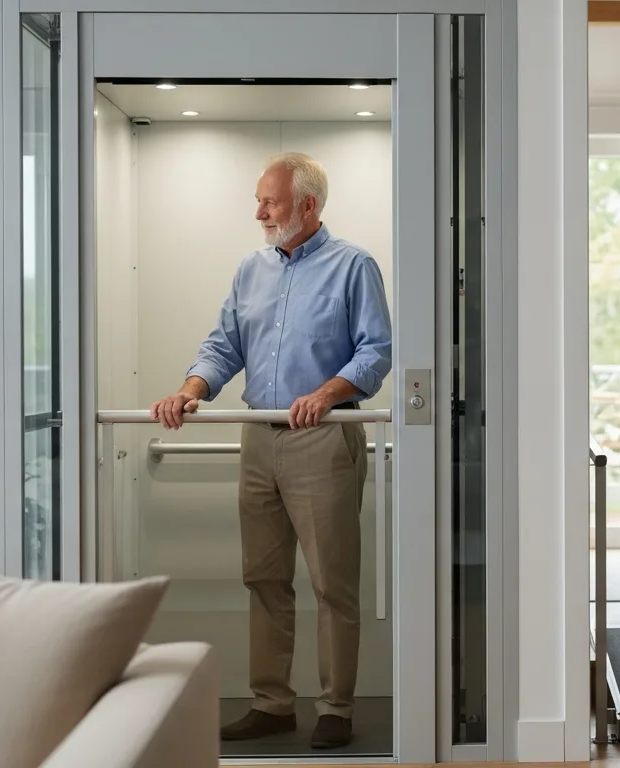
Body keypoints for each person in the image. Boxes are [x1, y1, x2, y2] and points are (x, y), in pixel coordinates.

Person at [150, 152, 391, 750]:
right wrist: (190, 390)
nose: (259, 212)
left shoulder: (353, 265)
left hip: (323, 439)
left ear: (307, 206)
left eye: (271, 201)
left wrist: (328, 393)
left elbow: (376, 353)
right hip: (258, 437)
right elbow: (224, 346)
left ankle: (335, 706)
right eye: (259, 200)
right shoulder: (249, 270)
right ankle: (272, 702)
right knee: (263, 577)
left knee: (333, 583)